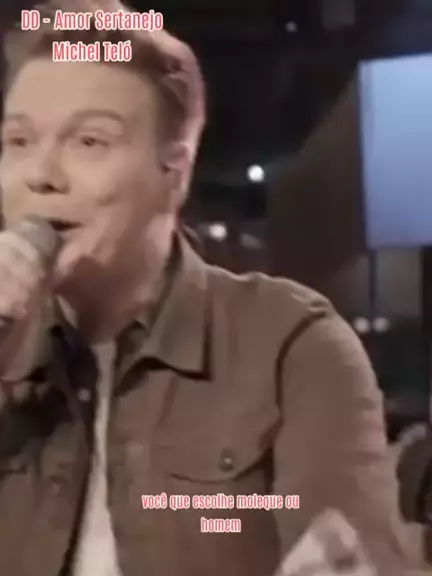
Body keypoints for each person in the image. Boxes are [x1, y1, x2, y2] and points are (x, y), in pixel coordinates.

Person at [0, 1, 409, 575]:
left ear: (175, 173)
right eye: (18, 141)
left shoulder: (290, 346)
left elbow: (353, 555)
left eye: (89, 141)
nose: (41, 175)